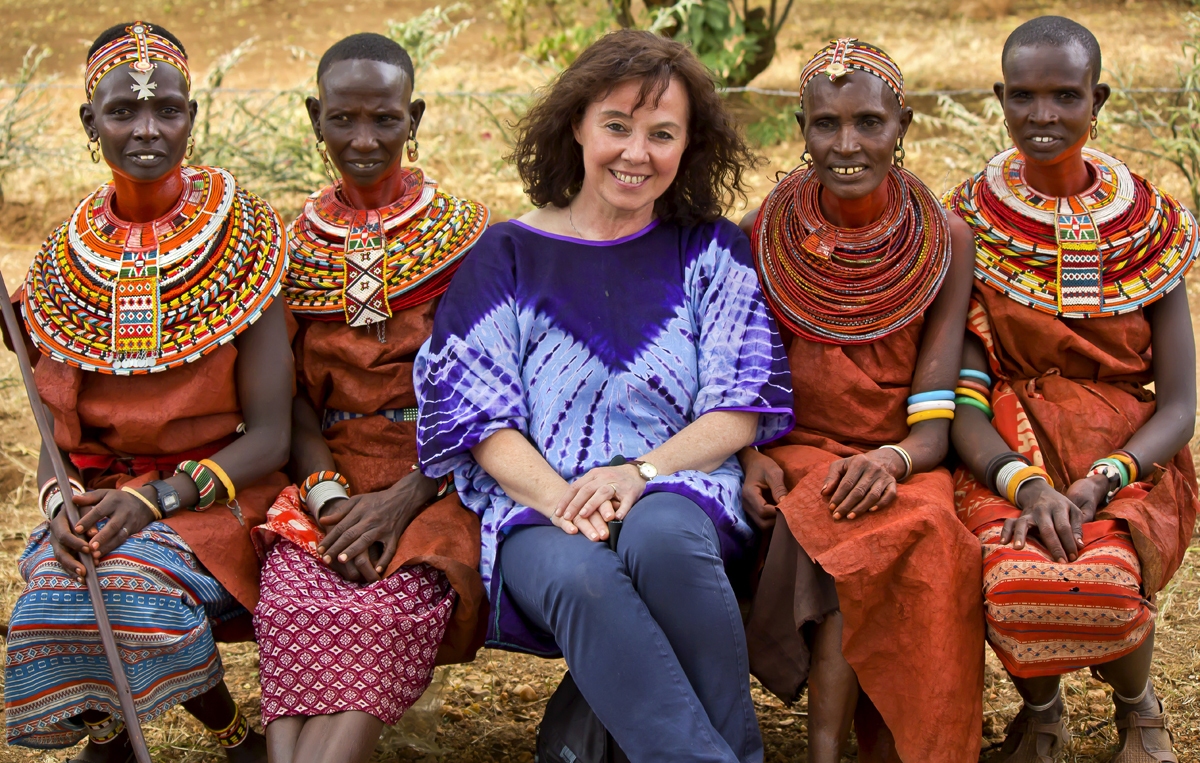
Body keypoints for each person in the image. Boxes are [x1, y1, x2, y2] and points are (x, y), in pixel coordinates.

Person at [415, 30, 793, 763]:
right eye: (616, 126)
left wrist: (638, 474)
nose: (635, 152)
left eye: (662, 134)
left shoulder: (709, 249)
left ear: (689, 146)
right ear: (577, 127)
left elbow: (739, 402)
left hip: (683, 488)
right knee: (581, 574)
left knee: (664, 539)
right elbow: (477, 416)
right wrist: (562, 499)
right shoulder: (508, 254)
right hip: (536, 504)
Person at [2, 21, 291, 763]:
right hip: (104, 498)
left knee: (129, 588)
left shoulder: (244, 232)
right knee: (51, 593)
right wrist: (57, 506)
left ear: (193, 116)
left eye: (167, 108)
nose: (147, 128)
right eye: (122, 111)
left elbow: (271, 435)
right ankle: (106, 732)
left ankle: (233, 736)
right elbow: (56, 437)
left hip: (220, 499)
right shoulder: (66, 260)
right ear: (88, 122)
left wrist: (158, 499)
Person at [946, 16, 1198, 763]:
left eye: (1065, 95)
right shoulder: (970, 226)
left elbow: (1181, 402)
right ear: (1000, 98)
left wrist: (1105, 479)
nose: (1043, 116)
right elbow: (964, 392)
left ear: (1099, 99)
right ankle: (1044, 711)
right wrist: (1022, 484)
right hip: (1004, 444)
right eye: (1023, 96)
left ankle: (1138, 710)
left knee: (1105, 573)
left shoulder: (1148, 226)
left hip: (1131, 454)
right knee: (1019, 570)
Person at [737, 39, 983, 763]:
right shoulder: (763, 234)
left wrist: (894, 458)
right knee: (843, 522)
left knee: (930, 535)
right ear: (800, 127)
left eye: (869, 122)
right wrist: (751, 454)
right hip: (794, 450)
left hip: (905, 459)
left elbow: (934, 422)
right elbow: (739, 383)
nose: (846, 145)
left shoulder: (946, 241)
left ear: (902, 123)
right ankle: (824, 753)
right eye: (826, 124)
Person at [252, 33, 490, 763]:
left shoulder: (469, 239)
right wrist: (327, 501)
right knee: (294, 602)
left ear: (413, 117)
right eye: (342, 119)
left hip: (444, 477)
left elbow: (492, 391)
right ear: (313, 118)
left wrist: (405, 497)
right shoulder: (286, 245)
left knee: (387, 611)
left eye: (385, 119)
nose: (364, 139)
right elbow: (289, 398)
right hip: (328, 472)